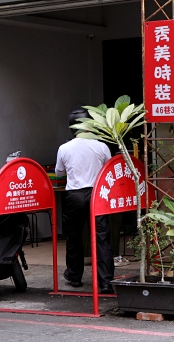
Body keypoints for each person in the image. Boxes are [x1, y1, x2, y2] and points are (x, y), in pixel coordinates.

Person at [56, 105, 113, 293]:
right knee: (101, 237)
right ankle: (105, 282)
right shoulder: (101, 146)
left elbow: (59, 173)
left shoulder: (64, 148)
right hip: (97, 194)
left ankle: (74, 276)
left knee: (74, 236)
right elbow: (108, 169)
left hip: (74, 195)